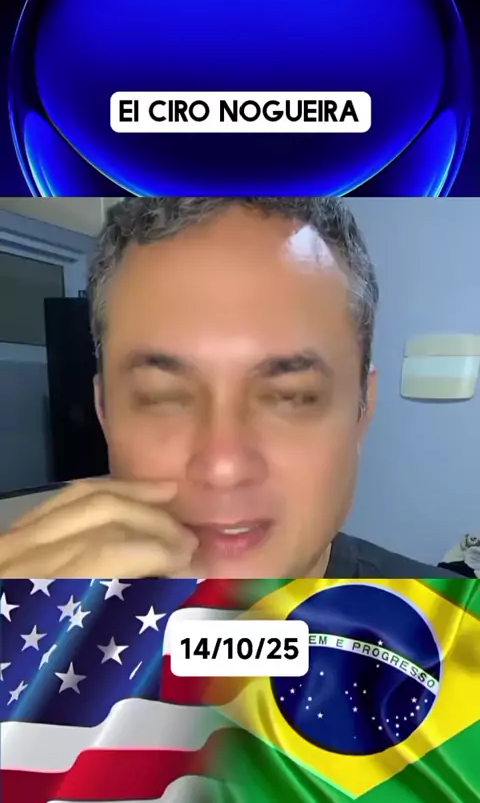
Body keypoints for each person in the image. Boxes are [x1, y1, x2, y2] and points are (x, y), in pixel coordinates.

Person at [0, 197, 449, 579]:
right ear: (104, 411)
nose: (223, 466)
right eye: (162, 397)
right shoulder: (34, 631)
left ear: (362, 409)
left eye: (291, 396)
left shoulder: (461, 635)